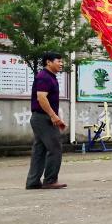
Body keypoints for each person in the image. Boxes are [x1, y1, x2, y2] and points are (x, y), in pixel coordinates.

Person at [26, 51, 67, 190]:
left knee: (40, 150)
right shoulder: (44, 77)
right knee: (55, 148)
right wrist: (53, 116)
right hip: (43, 118)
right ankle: (50, 180)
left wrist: (55, 116)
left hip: (41, 117)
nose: (61, 64)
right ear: (48, 62)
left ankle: (33, 182)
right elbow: (41, 98)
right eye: (58, 61)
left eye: (62, 61)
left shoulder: (50, 77)